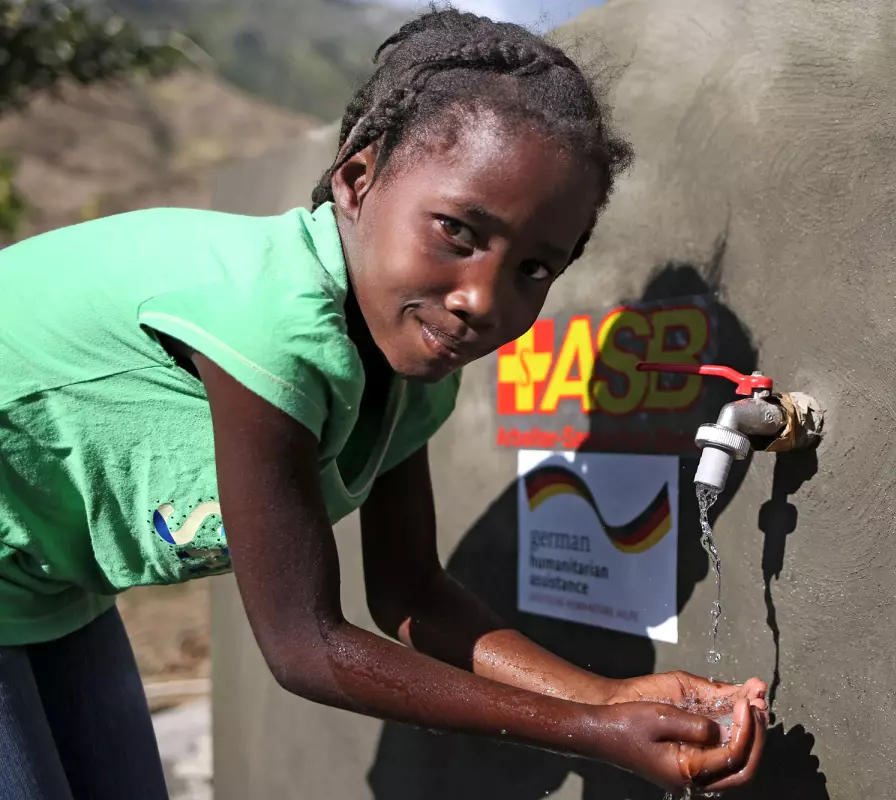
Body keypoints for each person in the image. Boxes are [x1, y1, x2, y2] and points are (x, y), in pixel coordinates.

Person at [0, 8, 767, 798]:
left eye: (534, 269)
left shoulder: (408, 372)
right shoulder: (271, 325)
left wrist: (609, 696)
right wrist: (593, 734)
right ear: (357, 181)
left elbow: (410, 595)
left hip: (45, 591)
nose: (482, 299)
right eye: (458, 233)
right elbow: (304, 645)